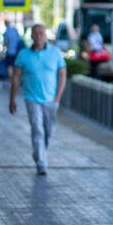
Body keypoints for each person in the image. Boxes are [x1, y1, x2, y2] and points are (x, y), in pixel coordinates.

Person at [9, 24, 67, 176]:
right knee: (37, 129)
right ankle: (41, 162)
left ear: (45, 35)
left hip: (51, 100)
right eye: (36, 33)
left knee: (48, 131)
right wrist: (12, 98)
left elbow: (62, 75)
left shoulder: (55, 53)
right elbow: (16, 77)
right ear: (32, 36)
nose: (39, 36)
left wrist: (58, 97)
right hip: (31, 99)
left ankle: (38, 152)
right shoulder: (23, 54)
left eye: (41, 33)